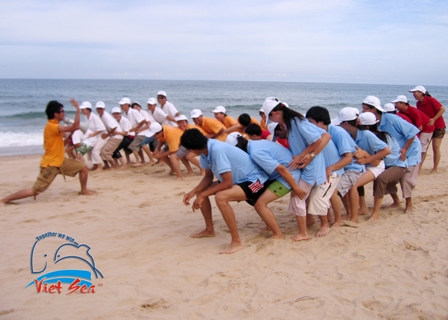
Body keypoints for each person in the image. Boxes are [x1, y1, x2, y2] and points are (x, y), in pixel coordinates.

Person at [181, 128, 269, 254]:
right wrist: (193, 192)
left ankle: (236, 242)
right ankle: (209, 230)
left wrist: (204, 194)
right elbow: (208, 177)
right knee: (202, 193)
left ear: (193, 149)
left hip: (257, 181)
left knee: (221, 197)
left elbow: (227, 182)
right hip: (239, 180)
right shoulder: (205, 151)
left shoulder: (217, 149)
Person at [262, 97, 330, 241]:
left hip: (311, 166)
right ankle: (314, 222)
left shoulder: (296, 122)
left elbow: (318, 139)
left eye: (271, 118)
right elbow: (324, 135)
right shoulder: (293, 121)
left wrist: (304, 155)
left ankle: (304, 233)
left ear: (275, 114)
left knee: (298, 197)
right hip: (309, 165)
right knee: (308, 196)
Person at [1, 99, 91, 205]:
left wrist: (70, 135)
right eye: (62, 111)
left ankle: (83, 191)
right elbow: (75, 126)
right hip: (51, 164)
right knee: (35, 191)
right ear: (56, 114)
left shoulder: (55, 127)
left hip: (60, 161)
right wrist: (77, 109)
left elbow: (60, 145)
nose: (64, 113)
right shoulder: (52, 126)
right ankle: (4, 200)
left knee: (83, 167)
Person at [362, 95, 421, 213]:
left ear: (374, 110)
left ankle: (409, 204)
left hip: (410, 149)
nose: (363, 111)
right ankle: (396, 201)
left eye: (365, 108)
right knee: (385, 174)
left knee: (406, 178)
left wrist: (405, 148)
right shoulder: (374, 123)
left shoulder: (392, 119)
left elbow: (413, 131)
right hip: (393, 152)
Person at [336, 107, 390, 223]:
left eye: (340, 123)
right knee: (344, 183)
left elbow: (386, 150)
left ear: (346, 123)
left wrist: (368, 158)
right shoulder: (348, 134)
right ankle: (350, 212)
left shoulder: (366, 134)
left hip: (375, 165)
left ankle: (354, 218)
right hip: (361, 165)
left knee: (353, 185)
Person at [305, 106, 355, 234]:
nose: (309, 125)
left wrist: (331, 168)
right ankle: (332, 219)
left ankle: (331, 222)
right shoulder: (318, 133)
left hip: (340, 168)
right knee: (328, 194)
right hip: (327, 168)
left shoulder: (338, 132)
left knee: (325, 195)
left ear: (321, 122)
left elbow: (348, 158)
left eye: (311, 122)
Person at [358, 112, 408, 220]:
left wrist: (366, 157)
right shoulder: (367, 137)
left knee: (381, 178)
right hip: (385, 165)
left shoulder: (382, 137)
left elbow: (379, 158)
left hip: (397, 164)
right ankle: (396, 201)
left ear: (366, 127)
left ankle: (375, 213)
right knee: (358, 175)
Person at [392, 95, 435, 171]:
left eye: (397, 103)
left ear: (403, 103)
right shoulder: (401, 112)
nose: (395, 105)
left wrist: (412, 136)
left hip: (427, 128)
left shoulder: (413, 111)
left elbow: (420, 127)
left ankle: (419, 168)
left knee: (421, 148)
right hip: (417, 129)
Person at [410, 85, 446, 173]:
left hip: (439, 126)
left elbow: (442, 109)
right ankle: (419, 168)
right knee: (423, 148)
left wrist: (434, 119)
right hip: (427, 128)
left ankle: (435, 168)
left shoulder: (430, 100)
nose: (414, 94)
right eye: (413, 93)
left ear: (421, 93)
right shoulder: (418, 103)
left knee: (436, 147)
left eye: (415, 92)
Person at [80, 101, 108, 171]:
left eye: (83, 109)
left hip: (102, 137)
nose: (82, 111)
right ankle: (95, 165)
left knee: (95, 151)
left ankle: (100, 166)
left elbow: (102, 128)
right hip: (95, 137)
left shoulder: (94, 117)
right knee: (90, 150)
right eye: (82, 109)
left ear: (88, 109)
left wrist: (93, 134)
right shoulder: (86, 117)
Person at [119, 97, 147, 167]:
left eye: (122, 105)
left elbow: (143, 121)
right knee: (126, 145)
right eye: (121, 105)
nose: (121, 106)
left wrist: (136, 129)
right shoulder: (125, 114)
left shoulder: (133, 111)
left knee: (133, 145)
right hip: (132, 133)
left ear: (127, 105)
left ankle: (138, 161)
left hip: (139, 133)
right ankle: (129, 160)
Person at [95, 101, 124, 169]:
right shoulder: (99, 116)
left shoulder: (106, 116)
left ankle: (113, 165)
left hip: (117, 137)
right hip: (112, 136)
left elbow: (114, 127)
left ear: (104, 109)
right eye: (98, 109)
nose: (99, 110)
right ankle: (107, 165)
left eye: (101, 109)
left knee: (105, 152)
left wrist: (107, 135)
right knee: (101, 150)